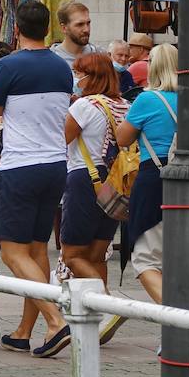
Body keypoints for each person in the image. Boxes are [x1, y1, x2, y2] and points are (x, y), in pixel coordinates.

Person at [0, 0, 73, 358]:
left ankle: (55, 322)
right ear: (49, 29)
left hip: (22, 165)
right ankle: (25, 331)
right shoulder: (62, 68)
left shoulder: (8, 66)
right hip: (56, 164)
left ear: (16, 29)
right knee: (37, 249)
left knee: (12, 252)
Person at [60, 52, 128, 342]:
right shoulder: (125, 104)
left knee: (72, 254)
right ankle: (101, 320)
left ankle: (108, 304)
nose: (76, 78)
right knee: (97, 254)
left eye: (79, 73)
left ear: (92, 77)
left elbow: (59, 139)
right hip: (115, 183)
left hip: (84, 179)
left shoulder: (85, 106)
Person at [116, 42, 178, 306]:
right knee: (177, 257)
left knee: (145, 259)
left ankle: (179, 321)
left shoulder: (147, 99)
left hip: (154, 177)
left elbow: (122, 138)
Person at [50, 0, 99, 69]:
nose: (86, 29)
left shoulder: (99, 55)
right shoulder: (52, 60)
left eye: (88, 23)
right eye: (80, 24)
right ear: (64, 28)